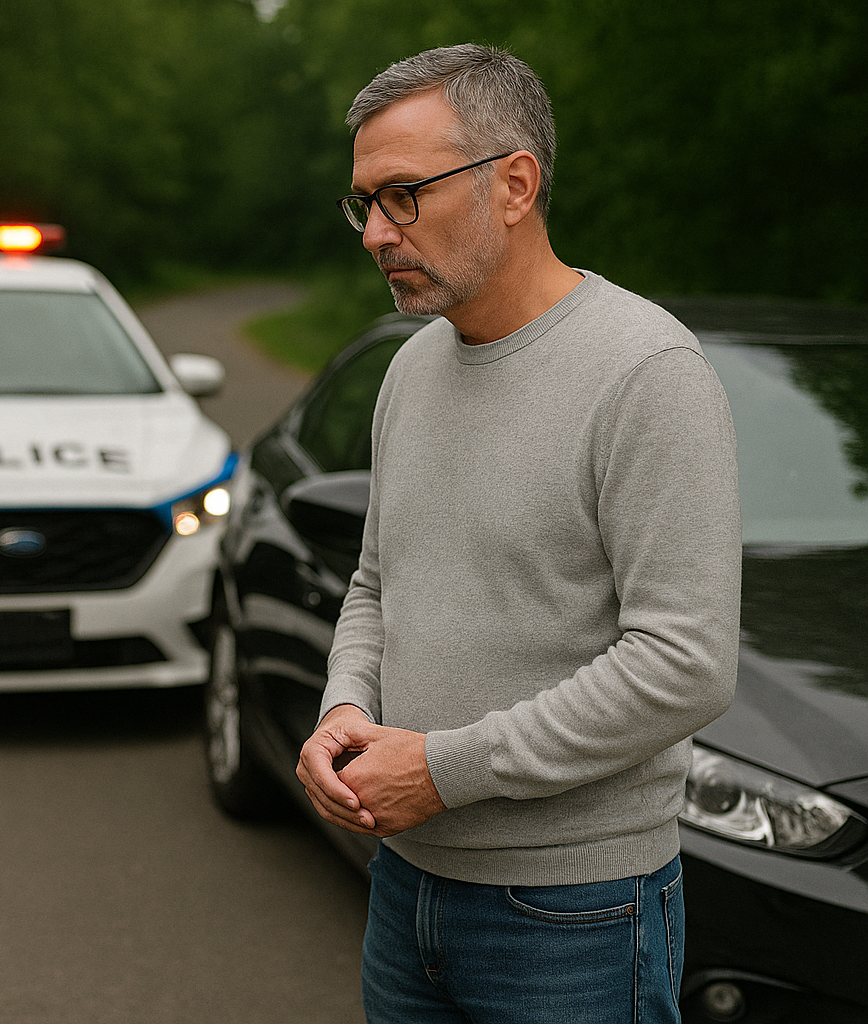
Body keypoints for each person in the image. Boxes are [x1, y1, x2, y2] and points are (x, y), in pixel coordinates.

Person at [295, 44, 741, 1022]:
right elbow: (378, 585)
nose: (375, 232)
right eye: (364, 202)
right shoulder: (412, 371)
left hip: (575, 914)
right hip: (402, 886)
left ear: (515, 184)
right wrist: (341, 710)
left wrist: (441, 771)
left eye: (403, 195)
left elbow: (686, 661)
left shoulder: (647, 370)